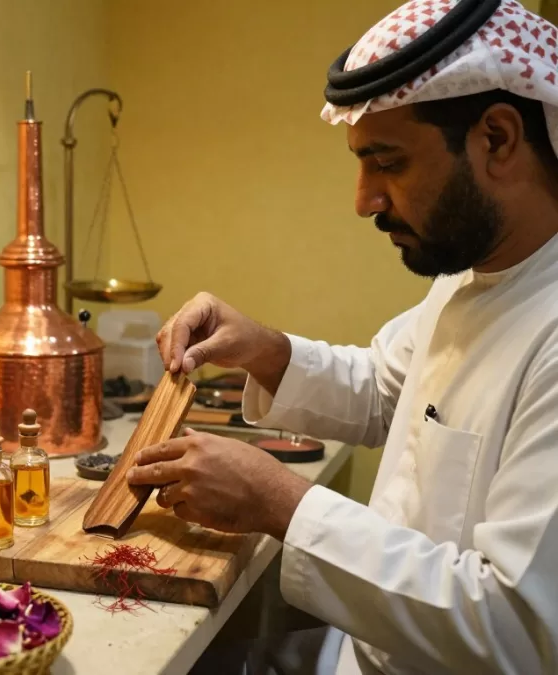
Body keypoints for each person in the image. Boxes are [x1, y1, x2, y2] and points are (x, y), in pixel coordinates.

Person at [125, 1, 558, 673]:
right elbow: (386, 390)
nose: (364, 200)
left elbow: (516, 627)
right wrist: (264, 347)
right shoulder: (474, 272)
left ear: (497, 139)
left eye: (387, 162)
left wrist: (279, 501)